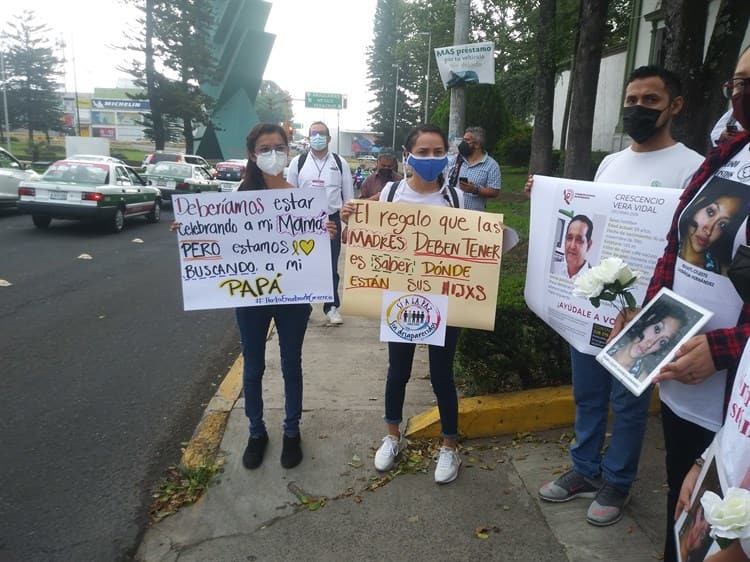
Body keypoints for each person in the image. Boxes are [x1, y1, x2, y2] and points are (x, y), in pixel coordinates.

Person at [536, 65, 704, 528]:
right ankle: (585, 469)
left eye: (650, 101)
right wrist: (547, 195)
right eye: (632, 100)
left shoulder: (690, 166)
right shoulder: (611, 163)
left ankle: (617, 481)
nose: (638, 109)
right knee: (588, 395)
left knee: (628, 402)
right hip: (593, 307)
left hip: (647, 312)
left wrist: (651, 309)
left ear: (675, 106)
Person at [615, 50, 750, 562]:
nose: (742, 93)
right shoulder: (728, 153)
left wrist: (723, 350)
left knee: (729, 531)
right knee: (684, 502)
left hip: (737, 396)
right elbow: (677, 246)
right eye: (737, 82)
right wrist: (648, 314)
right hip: (683, 378)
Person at [172, 123, 336, 471]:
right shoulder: (239, 199)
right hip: (251, 298)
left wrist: (327, 231)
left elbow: (313, 245)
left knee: (292, 365)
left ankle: (291, 432)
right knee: (254, 367)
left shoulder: (303, 198)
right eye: (265, 148)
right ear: (252, 154)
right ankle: (256, 431)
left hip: (293, 300)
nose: (273, 153)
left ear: (288, 150)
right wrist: (192, 229)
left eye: (279, 146)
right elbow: (220, 237)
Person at [341, 124, 465, 484]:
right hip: (401, 298)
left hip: (444, 299)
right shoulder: (391, 193)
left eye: (437, 151)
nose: (430, 159)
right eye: (422, 152)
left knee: (443, 375)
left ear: (447, 155)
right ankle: (392, 436)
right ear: (408, 156)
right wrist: (351, 217)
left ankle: (449, 446)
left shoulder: (455, 198)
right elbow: (361, 237)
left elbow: (471, 251)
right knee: (399, 370)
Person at [287, 121, 354, 325]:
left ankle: (331, 307)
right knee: (304, 265)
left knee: (330, 266)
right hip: (303, 222)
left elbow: (349, 197)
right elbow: (288, 194)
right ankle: (303, 307)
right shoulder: (297, 163)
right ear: (308, 137)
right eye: (314, 133)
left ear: (329, 138)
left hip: (331, 220)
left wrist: (349, 225)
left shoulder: (339, 162)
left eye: (322, 134)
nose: (318, 137)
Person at [678, 180, 747, 274]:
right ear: (699, 202)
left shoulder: (723, 272)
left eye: (722, 224)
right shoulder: (669, 247)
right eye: (710, 212)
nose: (709, 230)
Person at [606, 302, 687, 379]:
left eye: (662, 342)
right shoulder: (609, 346)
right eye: (657, 329)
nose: (650, 344)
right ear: (650, 319)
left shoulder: (640, 379)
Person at [448, 126, 501, 211]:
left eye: (467, 140)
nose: (462, 143)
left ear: (477, 144)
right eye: (463, 140)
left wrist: (475, 189)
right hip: (453, 215)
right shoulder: (456, 160)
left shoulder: (491, 165)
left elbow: (494, 192)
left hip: (474, 217)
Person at [551, 215, 594, 279]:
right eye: (569, 238)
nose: (572, 246)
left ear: (588, 245)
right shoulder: (554, 268)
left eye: (579, 240)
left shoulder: (593, 278)